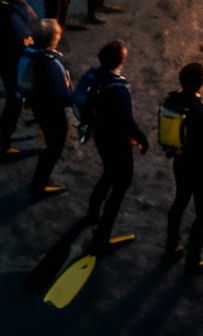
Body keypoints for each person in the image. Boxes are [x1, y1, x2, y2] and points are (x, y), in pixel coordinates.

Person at [160, 62, 203, 270]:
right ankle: (193, 258)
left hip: (181, 162)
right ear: (200, 83)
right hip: (202, 168)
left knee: (180, 201)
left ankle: (171, 245)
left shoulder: (172, 103)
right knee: (202, 212)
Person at [81, 39, 148, 252]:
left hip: (100, 134)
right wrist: (141, 138)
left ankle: (92, 213)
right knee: (121, 184)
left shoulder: (94, 76)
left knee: (108, 173)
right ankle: (102, 236)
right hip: (117, 140)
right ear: (120, 61)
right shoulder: (119, 87)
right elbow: (127, 120)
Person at [0, 0, 42, 160]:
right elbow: (25, 39)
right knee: (14, 102)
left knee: (21, 97)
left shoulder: (2, 4)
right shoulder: (11, 12)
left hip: (7, 61)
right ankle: (6, 144)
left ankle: (11, 134)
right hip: (14, 64)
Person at [24, 19, 73, 196]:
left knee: (49, 138)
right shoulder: (52, 64)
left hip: (38, 104)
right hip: (52, 111)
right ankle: (39, 185)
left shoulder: (33, 56)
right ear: (55, 39)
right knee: (54, 146)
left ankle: (39, 183)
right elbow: (64, 97)